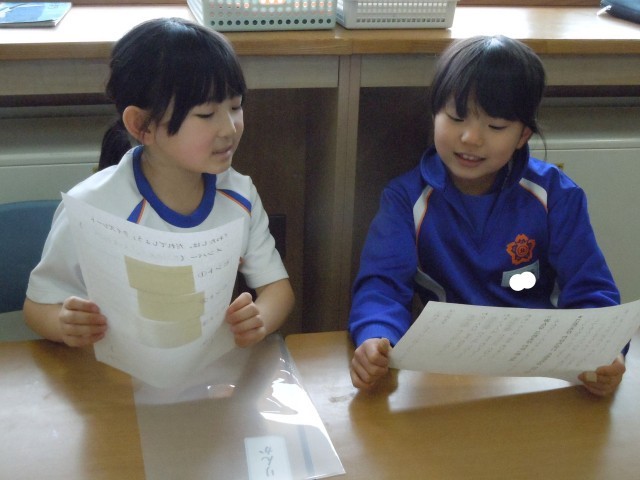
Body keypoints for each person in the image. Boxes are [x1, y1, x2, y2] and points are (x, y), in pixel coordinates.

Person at [348, 35, 627, 397]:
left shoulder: (557, 196)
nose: (470, 137)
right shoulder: (405, 199)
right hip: (444, 374)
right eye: (456, 117)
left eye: (495, 126)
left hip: (536, 377)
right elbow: (381, 287)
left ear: (522, 135)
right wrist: (375, 337)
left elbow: (591, 290)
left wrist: (604, 355)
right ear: (434, 114)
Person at [24, 17, 294, 350]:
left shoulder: (239, 194)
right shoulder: (93, 208)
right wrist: (63, 323)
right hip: (117, 372)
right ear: (142, 125)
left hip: (205, 370)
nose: (229, 128)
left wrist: (260, 318)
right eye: (206, 114)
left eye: (236, 106)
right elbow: (37, 307)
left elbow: (277, 290)